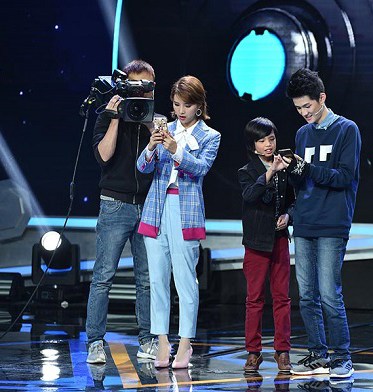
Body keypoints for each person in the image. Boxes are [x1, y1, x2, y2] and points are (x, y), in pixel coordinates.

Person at [137, 75, 221, 369]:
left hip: (185, 211)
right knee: (157, 279)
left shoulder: (211, 136)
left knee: (185, 280)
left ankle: (185, 344)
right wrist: (151, 146)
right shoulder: (164, 129)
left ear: (199, 106)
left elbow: (200, 169)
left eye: (187, 105)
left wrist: (175, 149)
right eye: (176, 104)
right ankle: (162, 341)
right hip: (156, 208)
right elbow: (143, 167)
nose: (181, 110)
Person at [283, 68, 361, 378]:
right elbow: (302, 180)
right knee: (306, 294)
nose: (304, 114)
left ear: (322, 98)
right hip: (304, 222)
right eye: (299, 108)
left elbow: (343, 177)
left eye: (308, 107)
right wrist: (289, 171)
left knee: (330, 293)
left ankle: (342, 357)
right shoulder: (302, 134)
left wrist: (307, 168)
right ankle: (318, 354)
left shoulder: (347, 130)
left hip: (332, 222)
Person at [86, 59, 158, 364]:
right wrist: (116, 118)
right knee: (103, 276)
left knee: (146, 278)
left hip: (147, 205)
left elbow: (165, 158)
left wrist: (148, 121)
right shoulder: (107, 114)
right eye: (135, 88)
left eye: (148, 89)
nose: (141, 96)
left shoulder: (157, 119)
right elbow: (103, 157)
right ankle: (95, 341)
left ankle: (147, 340)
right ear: (124, 86)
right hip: (115, 204)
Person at [238, 117, 295, 373]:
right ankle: (253, 352)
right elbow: (250, 196)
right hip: (255, 244)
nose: (268, 145)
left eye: (271, 139)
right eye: (262, 141)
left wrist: (288, 216)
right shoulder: (246, 171)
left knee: (282, 298)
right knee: (255, 299)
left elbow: (295, 200)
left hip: (280, 241)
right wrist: (269, 172)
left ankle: (282, 351)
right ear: (253, 145)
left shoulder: (287, 168)